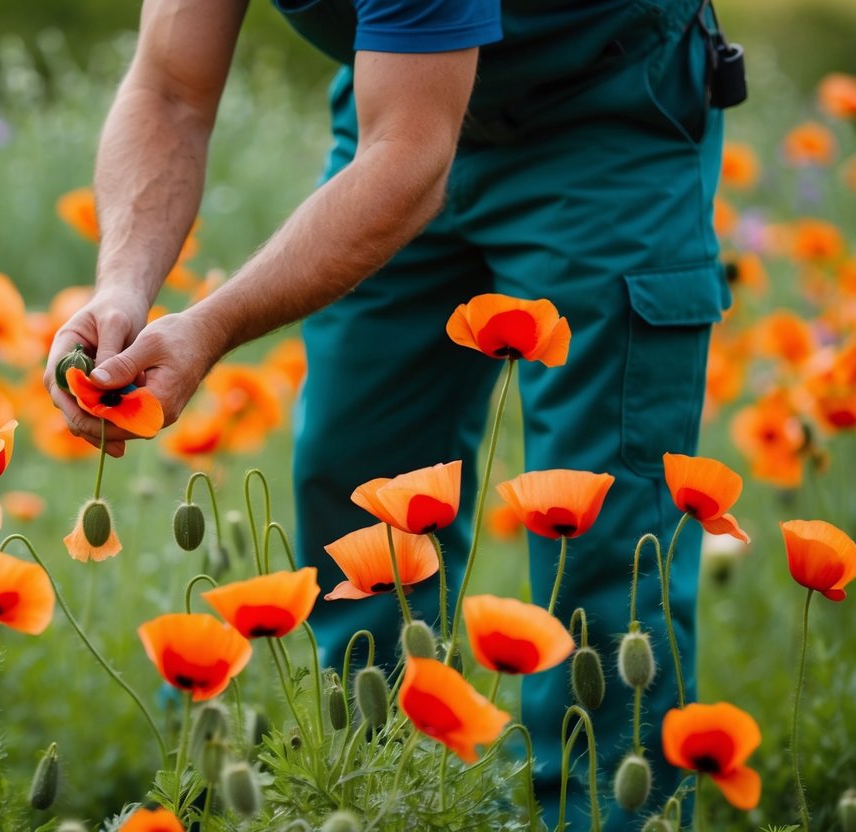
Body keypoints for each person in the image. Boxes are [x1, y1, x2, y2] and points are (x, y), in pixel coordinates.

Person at [46, 1, 734, 827]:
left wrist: (211, 324)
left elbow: (411, 162)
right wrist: (121, 286)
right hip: (401, 100)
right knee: (359, 489)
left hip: (604, 108)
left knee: (604, 535)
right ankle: (374, 801)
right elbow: (167, 89)